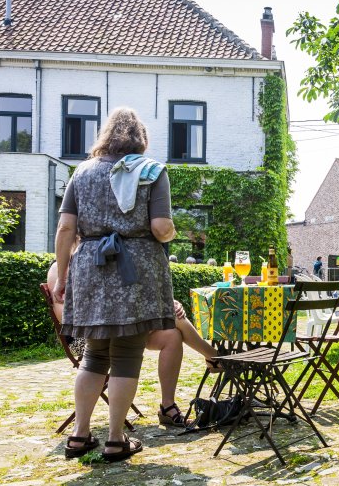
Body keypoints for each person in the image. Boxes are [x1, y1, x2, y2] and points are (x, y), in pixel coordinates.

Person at [53, 106, 174, 462]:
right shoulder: (151, 171)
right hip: (134, 268)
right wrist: (170, 231)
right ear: (140, 139)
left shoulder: (82, 171)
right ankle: (116, 439)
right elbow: (160, 228)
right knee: (127, 354)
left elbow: (65, 228)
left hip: (90, 267)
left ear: (105, 136)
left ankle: (80, 435)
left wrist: (63, 276)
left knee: (94, 354)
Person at [47, 260, 219, 427]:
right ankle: (215, 357)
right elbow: (64, 316)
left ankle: (167, 406)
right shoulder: (59, 267)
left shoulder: (100, 259)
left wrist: (164, 304)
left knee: (171, 335)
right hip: (85, 337)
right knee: (171, 316)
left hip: (120, 327)